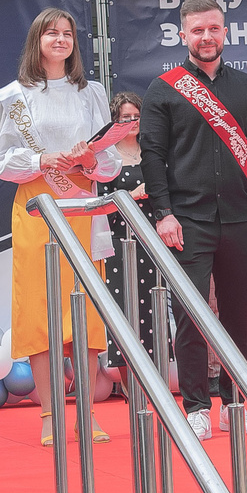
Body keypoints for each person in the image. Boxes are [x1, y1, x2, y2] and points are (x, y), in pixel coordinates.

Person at [141, 0, 247, 440]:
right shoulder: (163, 88)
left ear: (226, 32)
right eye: (198, 30)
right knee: (190, 315)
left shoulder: (246, 87)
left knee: (236, 316)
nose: (207, 37)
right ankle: (197, 406)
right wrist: (163, 213)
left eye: (214, 29)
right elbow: (152, 156)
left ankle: (237, 403)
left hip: (241, 218)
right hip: (186, 219)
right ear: (182, 34)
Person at [0, 9, 120, 448]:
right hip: (36, 210)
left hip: (83, 208)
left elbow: (112, 159)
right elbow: (1, 162)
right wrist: (41, 161)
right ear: (37, 41)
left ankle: (87, 414)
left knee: (85, 312)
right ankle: (49, 416)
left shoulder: (91, 93)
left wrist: (89, 160)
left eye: (67, 34)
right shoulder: (12, 96)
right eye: (52, 33)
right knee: (42, 315)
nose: (61, 40)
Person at [99, 93, 161, 377]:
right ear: (115, 121)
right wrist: (128, 197)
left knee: (153, 308)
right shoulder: (107, 158)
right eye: (126, 118)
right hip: (118, 241)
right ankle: (130, 386)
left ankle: (155, 383)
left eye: (137, 117)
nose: (133, 122)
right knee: (125, 310)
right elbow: (97, 203)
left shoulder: (152, 150)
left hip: (151, 241)